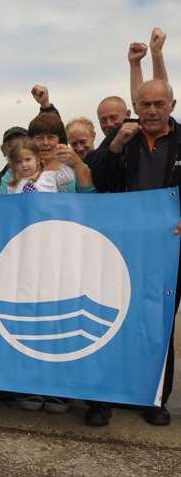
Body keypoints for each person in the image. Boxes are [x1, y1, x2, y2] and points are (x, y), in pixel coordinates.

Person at [89, 79, 179, 427]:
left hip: (169, 249)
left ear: (172, 105)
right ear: (136, 107)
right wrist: (114, 147)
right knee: (110, 316)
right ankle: (101, 399)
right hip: (122, 247)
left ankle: (154, 398)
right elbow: (99, 181)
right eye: (146, 104)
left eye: (159, 104)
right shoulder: (122, 138)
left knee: (158, 323)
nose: (152, 110)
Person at [0, 139, 74, 194]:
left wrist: (62, 155)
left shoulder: (49, 176)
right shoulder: (13, 184)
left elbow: (70, 176)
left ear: (37, 160)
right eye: (19, 162)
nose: (24, 164)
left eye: (28, 159)